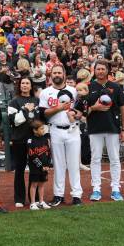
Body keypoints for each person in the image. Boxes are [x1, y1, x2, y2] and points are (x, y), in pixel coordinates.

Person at [39, 65, 82, 207]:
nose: (57, 75)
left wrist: (77, 114)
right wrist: (59, 108)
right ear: (51, 75)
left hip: (73, 129)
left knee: (74, 164)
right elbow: (43, 113)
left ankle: (76, 195)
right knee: (58, 165)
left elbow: (81, 110)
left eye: (59, 72)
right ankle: (58, 195)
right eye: (54, 72)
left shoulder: (74, 91)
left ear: (64, 74)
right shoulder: (46, 92)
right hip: (55, 129)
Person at [85, 60, 124, 202]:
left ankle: (115, 189)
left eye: (103, 69)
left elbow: (123, 109)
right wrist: (94, 108)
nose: (100, 71)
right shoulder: (88, 87)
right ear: (94, 70)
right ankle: (96, 189)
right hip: (94, 128)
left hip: (112, 128)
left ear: (108, 70)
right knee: (95, 159)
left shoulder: (116, 87)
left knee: (114, 159)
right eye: (98, 69)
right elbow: (83, 110)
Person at [7, 77, 39, 208]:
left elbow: (39, 119)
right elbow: (15, 121)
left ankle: (35, 198)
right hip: (19, 140)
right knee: (19, 170)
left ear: (31, 86)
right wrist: (26, 110)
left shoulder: (37, 101)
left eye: (27, 83)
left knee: (35, 170)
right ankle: (19, 198)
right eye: (23, 83)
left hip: (35, 140)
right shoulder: (14, 102)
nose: (25, 85)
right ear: (19, 86)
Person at [27, 119, 53, 210]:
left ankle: (41, 202)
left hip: (45, 167)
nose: (43, 130)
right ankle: (33, 203)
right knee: (34, 184)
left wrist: (48, 165)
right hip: (35, 167)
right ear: (35, 130)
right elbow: (32, 155)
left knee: (42, 184)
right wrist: (41, 166)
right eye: (41, 129)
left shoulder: (45, 139)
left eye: (43, 128)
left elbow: (48, 153)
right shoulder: (30, 141)